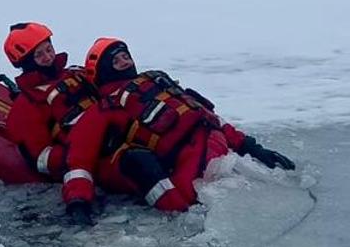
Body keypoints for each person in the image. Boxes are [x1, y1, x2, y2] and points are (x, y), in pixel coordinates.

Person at [62, 37, 294, 216]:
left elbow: (206, 115)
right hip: (189, 167)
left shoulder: (156, 79)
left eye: (126, 56)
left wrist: (252, 148)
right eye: (116, 60)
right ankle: (182, 218)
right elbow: (80, 158)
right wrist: (78, 201)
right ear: (103, 71)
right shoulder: (104, 109)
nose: (125, 62)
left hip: (220, 152)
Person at [0, 22, 105, 225]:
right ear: (26, 62)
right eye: (39, 55)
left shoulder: (77, 75)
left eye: (49, 49)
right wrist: (73, 153)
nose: (48, 57)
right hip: (91, 156)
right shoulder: (27, 105)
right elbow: (39, 157)